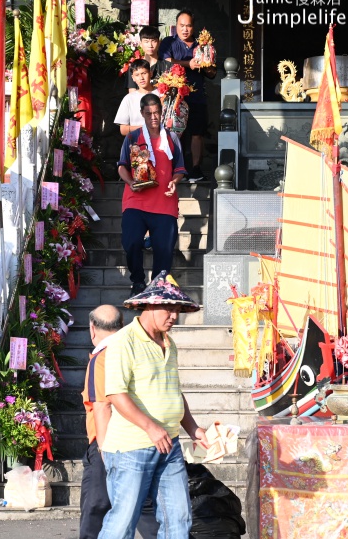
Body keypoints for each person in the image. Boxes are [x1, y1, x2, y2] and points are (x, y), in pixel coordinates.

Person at [98, 272, 209, 539]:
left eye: (178, 310)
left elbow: (174, 391)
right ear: (150, 304)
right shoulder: (123, 342)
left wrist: (193, 428)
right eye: (169, 308)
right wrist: (150, 428)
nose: (174, 316)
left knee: (178, 518)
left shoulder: (170, 344)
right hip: (131, 448)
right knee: (123, 522)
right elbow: (115, 394)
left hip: (168, 444)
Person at [118, 93, 186, 296]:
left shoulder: (171, 137)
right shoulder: (132, 137)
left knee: (164, 249)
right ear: (142, 114)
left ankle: (158, 286)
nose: (153, 117)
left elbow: (180, 169)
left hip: (164, 202)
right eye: (149, 114)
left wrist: (174, 182)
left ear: (162, 112)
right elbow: (122, 167)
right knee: (131, 242)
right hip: (135, 201)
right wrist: (131, 183)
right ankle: (138, 282)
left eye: (156, 112)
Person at [79, 305, 123, 539]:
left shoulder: (101, 358)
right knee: (148, 510)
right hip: (138, 439)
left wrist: (104, 451)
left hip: (106, 441)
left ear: (92, 328)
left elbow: (102, 405)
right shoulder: (131, 350)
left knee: (95, 509)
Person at [158, 9, 217, 182]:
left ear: (193, 27)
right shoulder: (169, 42)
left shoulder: (202, 45)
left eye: (188, 26)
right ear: (176, 26)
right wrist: (188, 64)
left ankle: (196, 169)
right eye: (181, 26)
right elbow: (166, 63)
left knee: (197, 133)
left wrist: (207, 64)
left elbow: (212, 74)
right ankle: (174, 168)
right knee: (173, 133)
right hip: (175, 97)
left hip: (197, 95)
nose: (185, 29)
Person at [115, 59, 156, 136]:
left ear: (150, 73)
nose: (141, 78)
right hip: (138, 143)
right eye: (137, 75)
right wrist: (145, 128)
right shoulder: (129, 98)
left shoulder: (161, 94)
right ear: (133, 78)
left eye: (144, 73)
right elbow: (123, 129)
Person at [126, 26, 171, 94]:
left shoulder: (168, 66)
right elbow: (132, 94)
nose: (150, 45)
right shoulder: (133, 68)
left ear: (159, 43)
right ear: (140, 44)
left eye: (153, 41)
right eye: (146, 41)